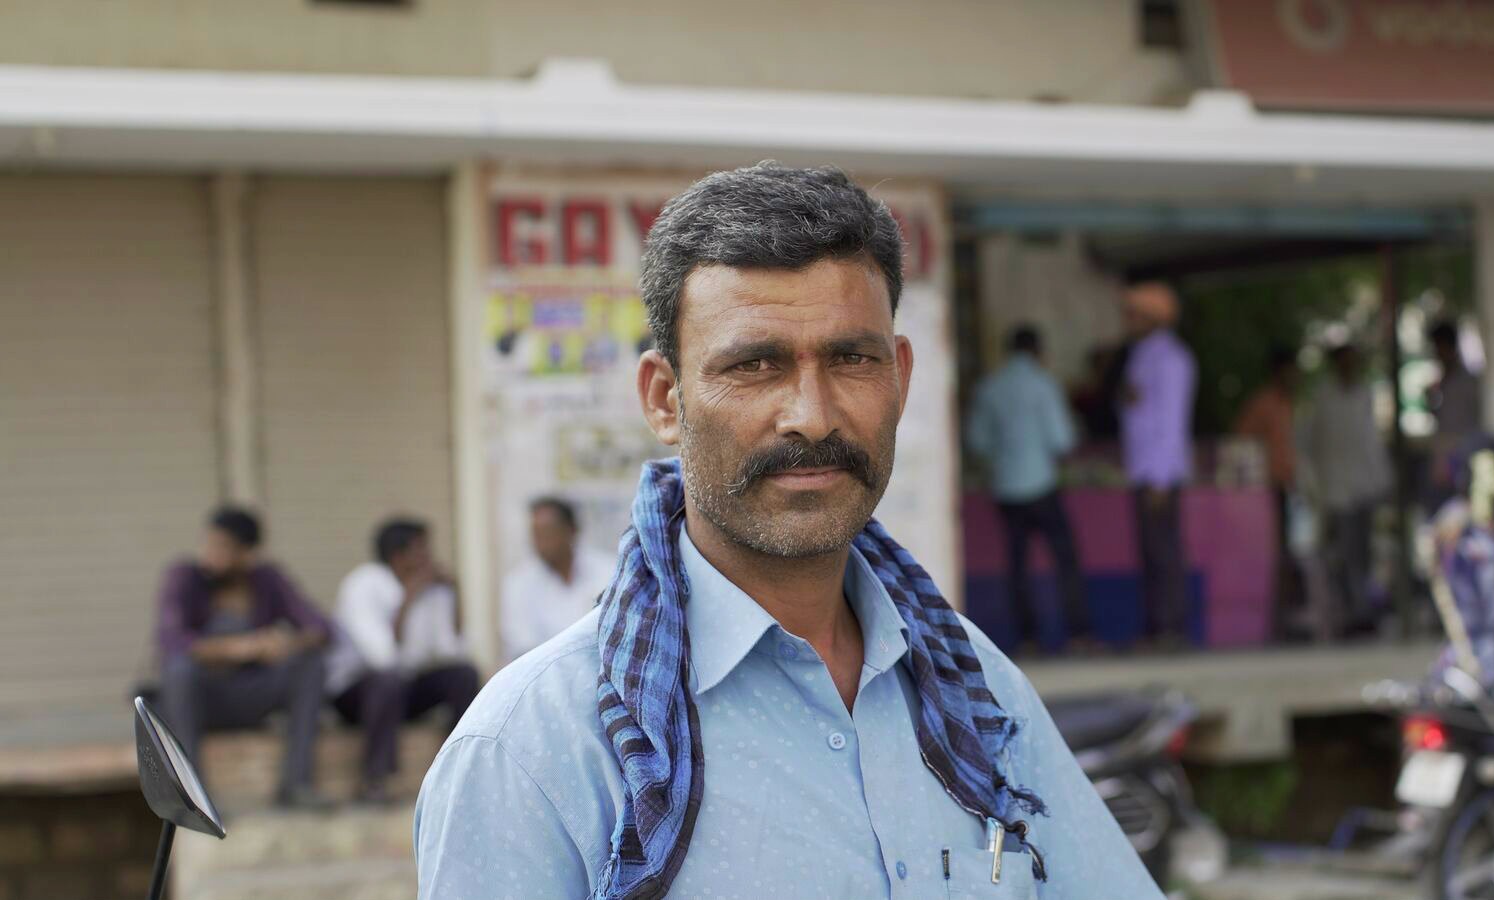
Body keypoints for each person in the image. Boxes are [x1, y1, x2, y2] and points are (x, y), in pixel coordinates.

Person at [416, 164, 1159, 899]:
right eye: (755, 364)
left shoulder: (979, 693)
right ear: (665, 400)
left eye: (851, 359)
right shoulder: (533, 749)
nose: (812, 413)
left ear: (898, 378)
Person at [154, 506, 333, 808]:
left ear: (246, 553)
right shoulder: (184, 577)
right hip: (201, 700)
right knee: (179, 669)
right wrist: (242, 647)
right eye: (208, 543)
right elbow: (172, 640)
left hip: (251, 695)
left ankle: (297, 785)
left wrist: (287, 642)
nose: (210, 554)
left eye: (222, 547)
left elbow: (322, 629)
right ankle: (192, 793)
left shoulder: (267, 580)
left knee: (311, 665)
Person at [326, 518, 479, 804]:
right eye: (422, 550)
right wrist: (409, 599)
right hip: (354, 695)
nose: (429, 558)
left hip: (402, 689)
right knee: (389, 682)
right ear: (398, 556)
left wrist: (453, 595)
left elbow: (453, 650)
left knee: (464, 675)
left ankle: (460, 770)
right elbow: (382, 657)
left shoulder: (430, 589)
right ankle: (375, 780)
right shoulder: (363, 584)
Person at [966, 324, 1090, 650]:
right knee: (1066, 561)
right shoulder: (1044, 385)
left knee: (1017, 565)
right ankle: (1078, 634)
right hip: (1042, 485)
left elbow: (977, 440)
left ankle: (1028, 639)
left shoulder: (990, 387)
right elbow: (1061, 439)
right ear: (1038, 351)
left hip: (1007, 488)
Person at [1119, 281, 1196, 647]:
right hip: (1143, 469)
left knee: (1164, 553)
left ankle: (1171, 628)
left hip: (1158, 473)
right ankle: (1157, 626)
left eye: (1133, 314)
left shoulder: (1171, 359)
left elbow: (1171, 422)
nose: (1127, 320)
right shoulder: (1143, 354)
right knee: (1150, 553)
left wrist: (1161, 478)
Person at [1303, 344, 1392, 636]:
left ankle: (1363, 612)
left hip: (1364, 486)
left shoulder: (1364, 394)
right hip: (1336, 490)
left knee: (1363, 554)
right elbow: (1312, 444)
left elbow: (1370, 442)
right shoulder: (1323, 398)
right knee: (1343, 555)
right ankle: (1349, 614)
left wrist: (1381, 481)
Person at [499, 496, 617, 662]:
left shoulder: (609, 571)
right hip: (546, 679)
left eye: (548, 532)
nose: (541, 542)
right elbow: (522, 647)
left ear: (571, 530)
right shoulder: (518, 584)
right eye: (536, 534)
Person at [1233, 347, 1301, 633]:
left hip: (1287, 487)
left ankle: (1285, 618)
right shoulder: (1264, 403)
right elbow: (1241, 439)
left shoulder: (1289, 404)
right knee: (1273, 554)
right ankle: (1273, 621)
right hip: (1265, 492)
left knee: (1287, 553)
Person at [1426, 320, 1483, 510]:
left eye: (1438, 347)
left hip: (1460, 458)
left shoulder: (1466, 381)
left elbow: (1463, 424)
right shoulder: (1443, 382)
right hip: (1447, 459)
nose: (1436, 353)